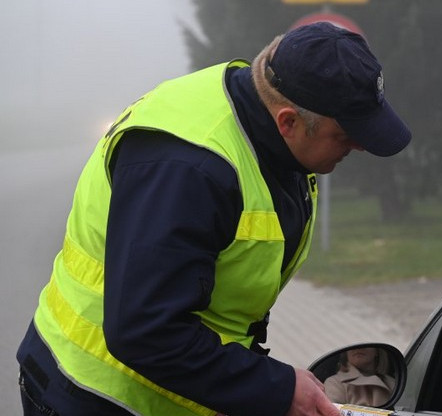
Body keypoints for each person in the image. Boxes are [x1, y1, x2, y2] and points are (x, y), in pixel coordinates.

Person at [15, 22, 411, 416]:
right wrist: (277, 388)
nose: (359, 145)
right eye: (344, 135)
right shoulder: (188, 169)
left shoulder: (268, 126)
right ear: (288, 122)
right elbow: (146, 332)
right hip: (92, 395)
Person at [323, 347, 396, 407]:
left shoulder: (393, 383)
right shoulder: (335, 383)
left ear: (377, 351)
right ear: (346, 353)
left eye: (366, 344)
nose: (358, 348)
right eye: (352, 345)